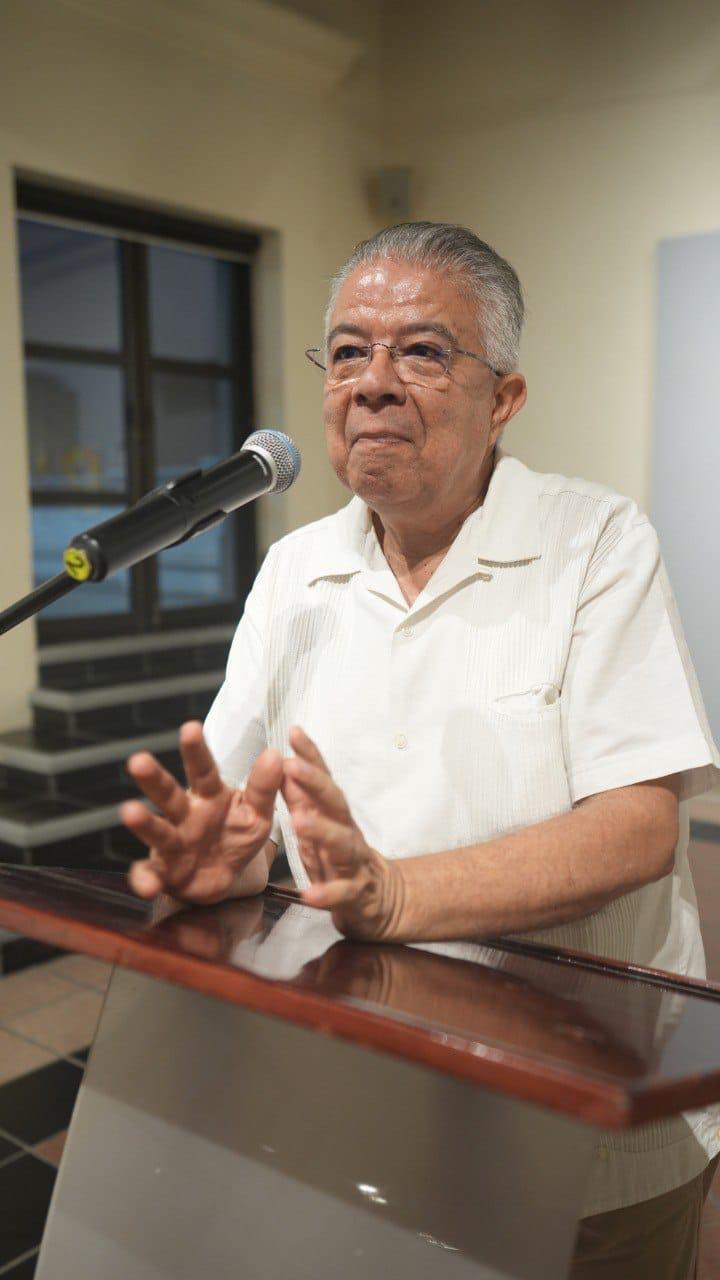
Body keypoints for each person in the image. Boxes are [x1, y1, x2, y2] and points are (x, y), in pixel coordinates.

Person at [121, 222, 720, 1276]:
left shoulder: (596, 542)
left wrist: (394, 893)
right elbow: (237, 811)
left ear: (507, 396)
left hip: (588, 1128)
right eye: (348, 351)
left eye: (424, 351)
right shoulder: (294, 571)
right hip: (358, 1101)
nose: (375, 383)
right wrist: (225, 865)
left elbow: (637, 826)